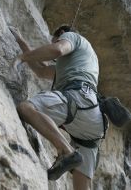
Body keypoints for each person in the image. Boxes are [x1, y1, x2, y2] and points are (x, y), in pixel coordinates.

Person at [10, 25, 105, 190]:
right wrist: (21, 41)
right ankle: (69, 152)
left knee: (26, 108)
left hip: (77, 98)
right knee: (82, 186)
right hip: (93, 121)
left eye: (55, 40)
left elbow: (57, 51)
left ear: (62, 34)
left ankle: (66, 151)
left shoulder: (72, 37)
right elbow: (41, 70)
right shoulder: (79, 63)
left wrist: (23, 57)